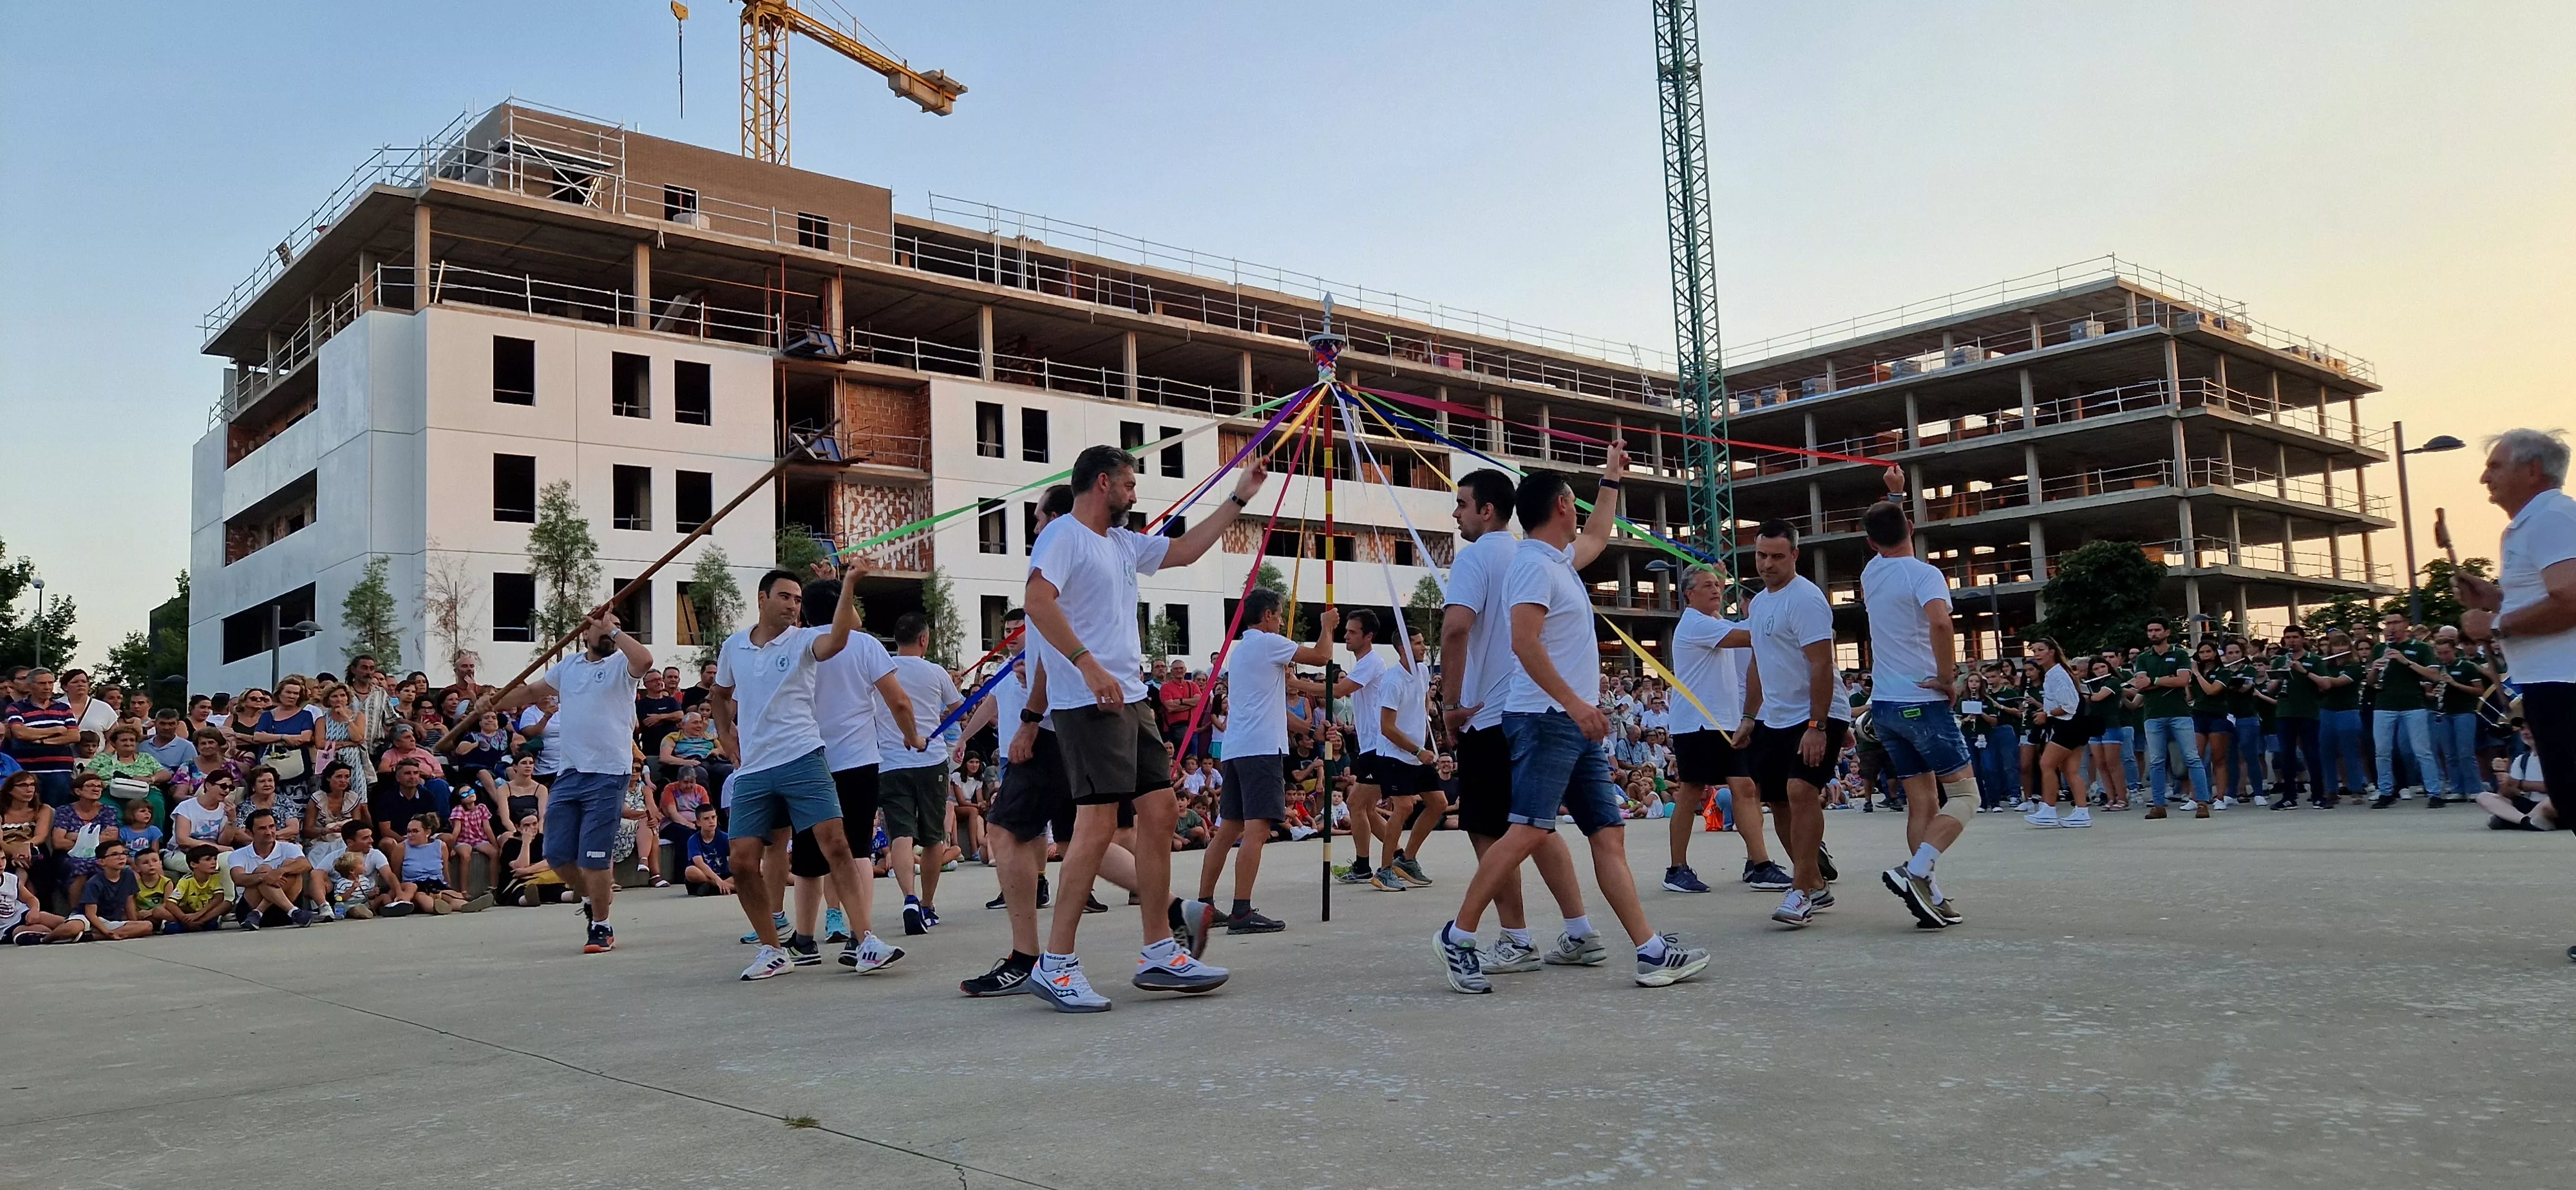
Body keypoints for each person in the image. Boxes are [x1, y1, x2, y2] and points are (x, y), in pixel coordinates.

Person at [1435, 448, 1711, 993]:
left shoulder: (1555, 560)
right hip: (1546, 718)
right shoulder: (1533, 565)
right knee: (1526, 830)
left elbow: (1600, 535)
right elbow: (1523, 643)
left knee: (1608, 834)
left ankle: (1651, 951)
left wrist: (1610, 477)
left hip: (1571, 720)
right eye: (1575, 503)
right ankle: (1458, 935)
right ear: (1563, 505)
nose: (1581, 516)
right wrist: (1577, 704)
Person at [1019, 444, 1261, 1011]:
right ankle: (1056, 964)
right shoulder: (1063, 536)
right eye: (1129, 485)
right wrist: (1086, 663)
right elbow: (1036, 601)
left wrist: (1238, 499)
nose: (1135, 494)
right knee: (1098, 825)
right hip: (1089, 701)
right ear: (1103, 483)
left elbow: (1185, 550)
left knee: (1160, 811)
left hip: (1131, 700)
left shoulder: (1123, 543)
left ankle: (1158, 950)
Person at [709, 560, 905, 981]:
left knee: (837, 844)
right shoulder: (734, 647)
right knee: (743, 861)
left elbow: (838, 638)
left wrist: (847, 583)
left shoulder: (803, 641)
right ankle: (773, 950)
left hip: (803, 757)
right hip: (755, 768)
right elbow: (719, 692)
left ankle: (866, 938)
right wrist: (726, 734)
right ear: (761, 599)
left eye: (798, 600)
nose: (793, 606)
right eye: (784, 597)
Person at [1434, 468, 1595, 976]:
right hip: (1533, 705)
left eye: (1462, 504)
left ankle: (1515, 937)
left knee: (1488, 829)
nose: (1456, 513)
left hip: (1489, 714)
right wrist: (1610, 481)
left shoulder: (1477, 557)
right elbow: (1597, 536)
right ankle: (1578, 929)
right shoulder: (1537, 555)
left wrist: (1451, 702)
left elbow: (1456, 628)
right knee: (1535, 824)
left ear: (1487, 510)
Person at [777, 562, 915, 967]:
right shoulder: (865, 644)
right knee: (856, 849)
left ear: (803, 611)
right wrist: (911, 735)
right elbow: (899, 700)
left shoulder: (794, 643)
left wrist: (834, 585)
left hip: (806, 758)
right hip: (856, 759)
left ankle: (804, 941)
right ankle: (861, 936)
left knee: (806, 856)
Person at [1856, 477, 1978, 930]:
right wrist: (1947, 678)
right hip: (1921, 701)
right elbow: (1941, 624)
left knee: (1921, 800)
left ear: (1871, 542)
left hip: (1884, 705)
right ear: (1911, 525)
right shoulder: (1925, 574)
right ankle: (1917, 870)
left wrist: (1891, 496)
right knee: (1966, 795)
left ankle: (1929, 890)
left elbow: (1888, 532)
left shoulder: (1872, 573)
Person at [1182, 588, 1332, 947]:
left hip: (1239, 749)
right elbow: (1323, 656)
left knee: (1229, 827)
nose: (1281, 621)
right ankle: (1242, 909)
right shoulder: (1269, 643)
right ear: (1267, 616)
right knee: (1258, 829)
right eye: (1279, 615)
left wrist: (1311, 729)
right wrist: (1327, 626)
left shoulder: (1243, 650)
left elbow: (1272, 708)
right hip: (1261, 752)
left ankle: (1205, 904)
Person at [493, 611, 650, 953]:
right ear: (584, 634)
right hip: (570, 772)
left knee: (594, 856)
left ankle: (601, 925)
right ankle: (596, 899)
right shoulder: (569, 667)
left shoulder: (622, 666)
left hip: (609, 773)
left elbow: (646, 659)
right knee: (557, 854)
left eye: (617, 627)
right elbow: (532, 691)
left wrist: (614, 630)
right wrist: (491, 702)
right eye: (603, 628)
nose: (611, 632)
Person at [2456, 430, 2576, 858]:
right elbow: (2549, 598)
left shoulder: (2551, 518)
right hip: (2550, 681)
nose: (2484, 478)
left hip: (2565, 682)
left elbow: (2573, 599)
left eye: (2495, 466)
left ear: (2533, 470)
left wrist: (2497, 623)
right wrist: (2493, 599)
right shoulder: (2530, 525)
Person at [1735, 518, 1855, 927]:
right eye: (1761, 556)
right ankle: (1815, 882)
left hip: (1816, 713)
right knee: (1778, 800)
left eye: (1776, 557)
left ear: (1795, 556)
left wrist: (1817, 726)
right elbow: (1757, 664)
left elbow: (1822, 665)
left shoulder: (1806, 599)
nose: (1767, 564)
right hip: (1774, 716)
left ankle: (1800, 890)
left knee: (1802, 791)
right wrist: (1749, 717)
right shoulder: (1760, 603)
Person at [1659, 563, 1755, 893]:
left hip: (1724, 721)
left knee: (1745, 789)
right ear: (1689, 594)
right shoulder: (1697, 624)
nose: (1716, 590)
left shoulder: (1712, 620)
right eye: (1708, 586)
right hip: (1698, 723)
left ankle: (1759, 863)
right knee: (1690, 793)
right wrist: (1779, 620)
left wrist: (1721, 578)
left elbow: (1729, 622)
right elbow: (1747, 636)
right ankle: (1677, 869)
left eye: (1719, 585)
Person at [878, 612, 963, 936]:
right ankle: (928, 904)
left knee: (901, 833)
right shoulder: (936, 672)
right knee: (932, 837)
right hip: (930, 761)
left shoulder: (882, 669)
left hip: (891, 761)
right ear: (924, 639)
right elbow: (958, 709)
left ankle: (909, 898)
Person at [1336, 608, 1430, 892]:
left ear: (1369, 637)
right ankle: (1395, 859)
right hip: (1376, 744)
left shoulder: (1373, 663)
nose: (1347, 636)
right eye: (1347, 631)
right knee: (1363, 805)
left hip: (1383, 746)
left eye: (1352, 632)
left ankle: (1379, 864)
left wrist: (1294, 684)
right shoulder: (1379, 668)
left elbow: (1340, 691)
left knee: (1369, 805)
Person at [2023, 638, 2092, 827]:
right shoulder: (2056, 673)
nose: (2036, 654)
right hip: (2075, 727)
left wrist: (2046, 714)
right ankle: (2082, 812)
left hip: (2068, 727)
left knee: (2046, 764)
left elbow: (2069, 705)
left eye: (2041, 650)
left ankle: (2049, 809)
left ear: (2052, 652)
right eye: (2034, 650)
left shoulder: (2057, 675)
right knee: (2070, 771)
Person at [228, 808, 314, 928]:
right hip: (249, 908)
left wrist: (280, 872)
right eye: (262, 829)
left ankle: (259, 912)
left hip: (282, 912)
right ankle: (292, 911)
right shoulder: (237, 855)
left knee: (291, 864)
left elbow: (306, 865)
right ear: (249, 833)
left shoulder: (289, 848)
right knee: (263, 870)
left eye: (272, 827)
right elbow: (238, 879)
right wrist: (265, 876)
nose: (269, 832)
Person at [6, 668, 80, 808]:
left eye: (50, 683)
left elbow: (74, 735)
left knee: (58, 811)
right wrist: (56, 730)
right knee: (31, 810)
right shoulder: (16, 708)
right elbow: (20, 733)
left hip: (60, 770)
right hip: (29, 770)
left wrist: (41, 740)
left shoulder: (63, 708)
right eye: (42, 683)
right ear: (30, 686)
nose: (47, 687)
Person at [77, 839, 155, 941]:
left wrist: (135, 923)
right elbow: (90, 914)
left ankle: (93, 936)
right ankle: (101, 934)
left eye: (124, 853)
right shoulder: (94, 883)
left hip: (114, 922)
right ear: (101, 861)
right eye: (115, 854)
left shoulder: (128, 874)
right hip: (97, 920)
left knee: (147, 926)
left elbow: (129, 902)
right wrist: (105, 930)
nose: (121, 857)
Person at [162, 845, 231, 934]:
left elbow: (219, 898)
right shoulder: (186, 881)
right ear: (193, 864)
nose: (214, 862)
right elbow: (170, 903)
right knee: (159, 911)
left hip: (205, 913)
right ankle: (193, 925)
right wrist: (185, 918)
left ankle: (198, 923)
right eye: (208, 859)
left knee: (227, 904)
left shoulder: (216, 876)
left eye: (215, 859)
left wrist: (199, 915)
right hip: (189, 913)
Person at [683, 806, 734, 894]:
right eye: (706, 819)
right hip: (704, 876)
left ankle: (715, 888)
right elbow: (699, 863)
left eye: (713, 817)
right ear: (698, 823)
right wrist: (718, 881)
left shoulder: (725, 837)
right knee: (690, 871)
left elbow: (736, 854)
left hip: (723, 875)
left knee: (743, 873)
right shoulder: (694, 840)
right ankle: (728, 887)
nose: (711, 821)